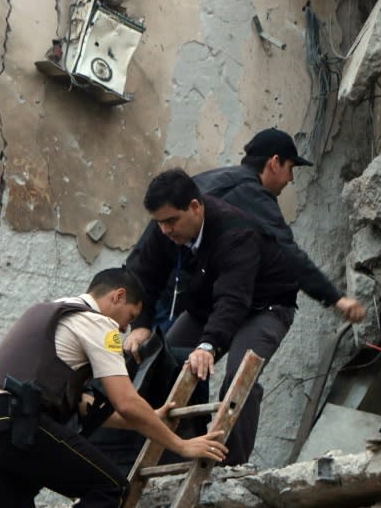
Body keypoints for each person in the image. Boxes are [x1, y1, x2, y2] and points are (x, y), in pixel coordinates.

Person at [0, 267, 227, 508]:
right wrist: (181, 445)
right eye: (130, 317)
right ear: (119, 296)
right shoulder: (99, 323)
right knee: (111, 488)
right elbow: (126, 402)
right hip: (14, 421)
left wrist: (152, 418)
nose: (126, 329)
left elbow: (86, 405)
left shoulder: (45, 312)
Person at [124, 168, 305, 465]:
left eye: (171, 221)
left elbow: (234, 298)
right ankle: (174, 454)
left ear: (195, 207)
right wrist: (141, 326)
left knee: (238, 377)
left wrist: (208, 345)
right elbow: (142, 276)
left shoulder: (235, 232)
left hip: (264, 307)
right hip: (208, 304)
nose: (166, 230)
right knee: (164, 367)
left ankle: (228, 466)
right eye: (159, 223)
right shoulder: (165, 232)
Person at [189, 127, 365, 324]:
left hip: (178, 290)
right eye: (290, 168)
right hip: (185, 294)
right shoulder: (253, 193)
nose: (290, 179)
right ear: (274, 163)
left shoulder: (211, 179)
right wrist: (336, 299)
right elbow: (287, 252)